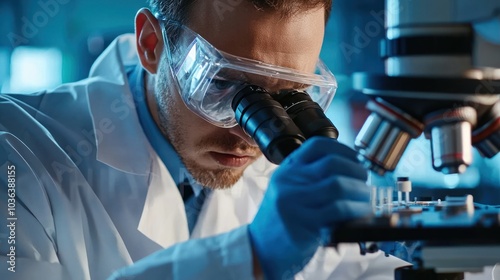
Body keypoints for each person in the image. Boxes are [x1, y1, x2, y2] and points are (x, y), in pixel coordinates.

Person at [0, 0, 408, 279]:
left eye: (288, 95)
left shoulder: (281, 176)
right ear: (152, 44)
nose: (249, 135)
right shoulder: (15, 152)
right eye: (223, 83)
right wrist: (251, 256)